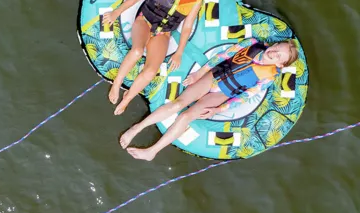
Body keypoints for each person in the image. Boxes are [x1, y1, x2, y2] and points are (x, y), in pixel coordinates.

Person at [119, 37, 299, 161]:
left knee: (186, 116)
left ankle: (152, 151)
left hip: (222, 93)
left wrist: (218, 110)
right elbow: (223, 56)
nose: (274, 53)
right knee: (179, 103)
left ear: (280, 65)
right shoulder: (252, 44)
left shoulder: (269, 77)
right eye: (276, 48)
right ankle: (137, 128)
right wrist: (199, 73)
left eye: (279, 56)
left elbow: (246, 96)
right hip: (214, 77)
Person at [102, 0, 212, 115]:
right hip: (145, 21)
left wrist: (179, 52)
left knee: (151, 71)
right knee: (137, 51)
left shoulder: (196, 0)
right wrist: (116, 13)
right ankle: (117, 83)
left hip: (164, 33)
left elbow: (187, 26)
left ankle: (128, 98)